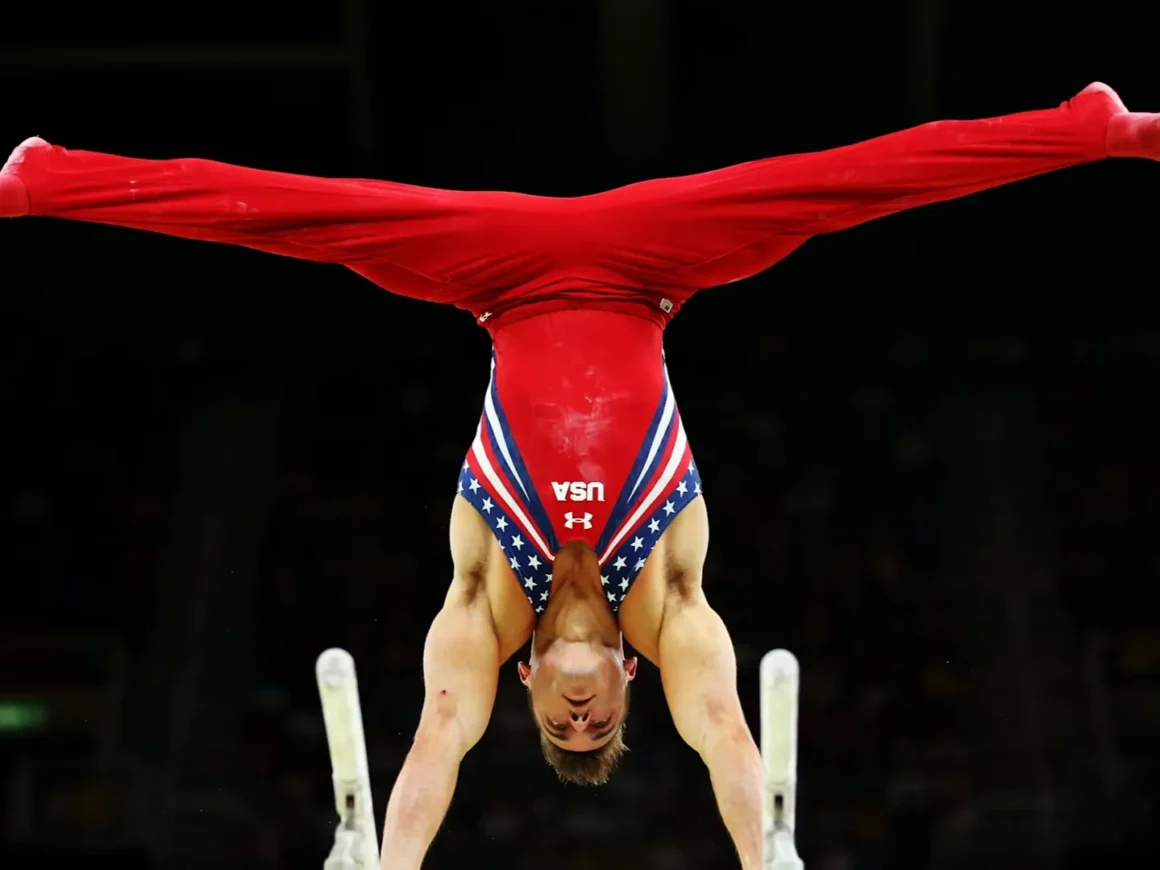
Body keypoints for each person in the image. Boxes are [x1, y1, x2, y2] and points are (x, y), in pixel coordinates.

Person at [3, 82, 1159, 870]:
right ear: (620, 684)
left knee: (302, 218)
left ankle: (45, 180)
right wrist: (772, 853)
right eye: (592, 726)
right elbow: (724, 731)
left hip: (499, 277)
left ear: (529, 697)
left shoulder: (478, 614)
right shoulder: (672, 610)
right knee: (836, 183)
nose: (573, 719)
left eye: (557, 734)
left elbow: (429, 743)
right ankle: (1090, 128)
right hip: (648, 270)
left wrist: (384, 859)